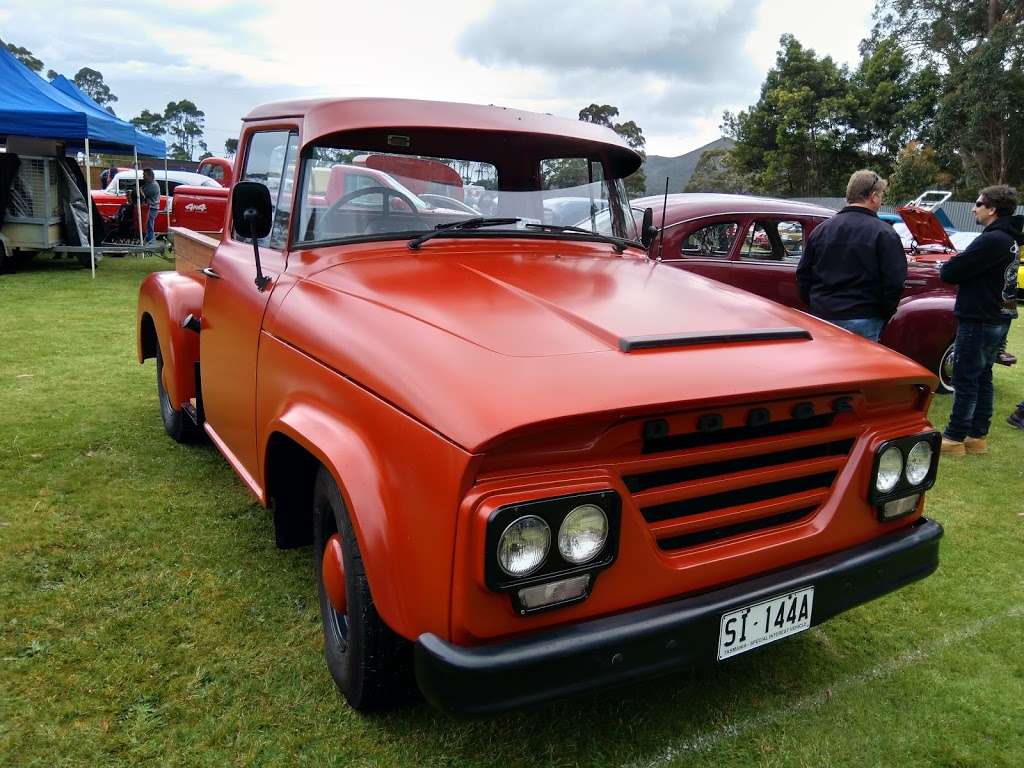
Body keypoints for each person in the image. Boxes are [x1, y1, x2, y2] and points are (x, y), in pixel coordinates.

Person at [938, 184, 1022, 456]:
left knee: (965, 379)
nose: (973, 208)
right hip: (999, 316)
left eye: (978, 203)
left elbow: (950, 272)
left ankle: (953, 439)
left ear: (992, 209)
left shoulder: (991, 239)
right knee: (983, 377)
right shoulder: (1010, 239)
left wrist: (950, 264)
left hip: (979, 318)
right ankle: (976, 437)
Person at [796, 170, 907, 342]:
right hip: (863, 317)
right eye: (881, 196)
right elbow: (894, 282)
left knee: (826, 367)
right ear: (873, 197)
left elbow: (803, 274)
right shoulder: (885, 234)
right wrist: (884, 313)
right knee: (859, 368)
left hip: (822, 315)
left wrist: (816, 304)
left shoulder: (821, 230)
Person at [140, 168, 161, 244]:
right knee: (148, 226)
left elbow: (142, 194)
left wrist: (140, 191)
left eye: (144, 175)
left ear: (149, 175)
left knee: (150, 227)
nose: (143, 177)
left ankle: (152, 243)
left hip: (152, 209)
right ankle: (148, 241)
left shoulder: (153, 185)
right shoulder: (148, 184)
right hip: (149, 208)